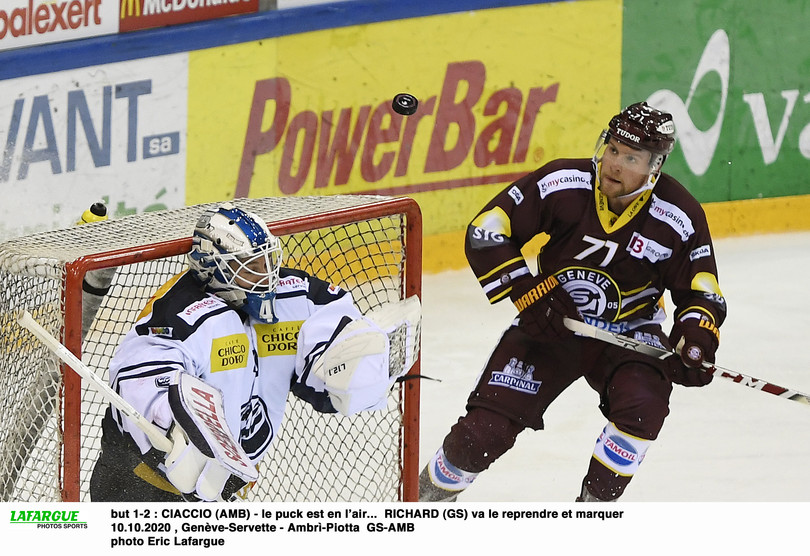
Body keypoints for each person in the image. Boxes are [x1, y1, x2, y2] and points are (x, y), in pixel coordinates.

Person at [419, 102, 726, 502]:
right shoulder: (564, 181)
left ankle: (592, 511)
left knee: (642, 408)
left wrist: (695, 333)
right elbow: (487, 228)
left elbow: (701, 291)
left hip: (631, 334)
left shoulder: (679, 214)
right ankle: (421, 503)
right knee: (482, 434)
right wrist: (529, 294)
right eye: (612, 149)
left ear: (655, 166)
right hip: (551, 322)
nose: (613, 164)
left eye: (630, 157)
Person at [90, 202, 419, 502]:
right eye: (249, 267)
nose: (266, 276)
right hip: (141, 488)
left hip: (225, 491)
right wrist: (172, 424)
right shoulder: (180, 311)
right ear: (212, 268)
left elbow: (333, 318)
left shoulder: (290, 298)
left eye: (266, 261)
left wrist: (345, 359)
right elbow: (138, 373)